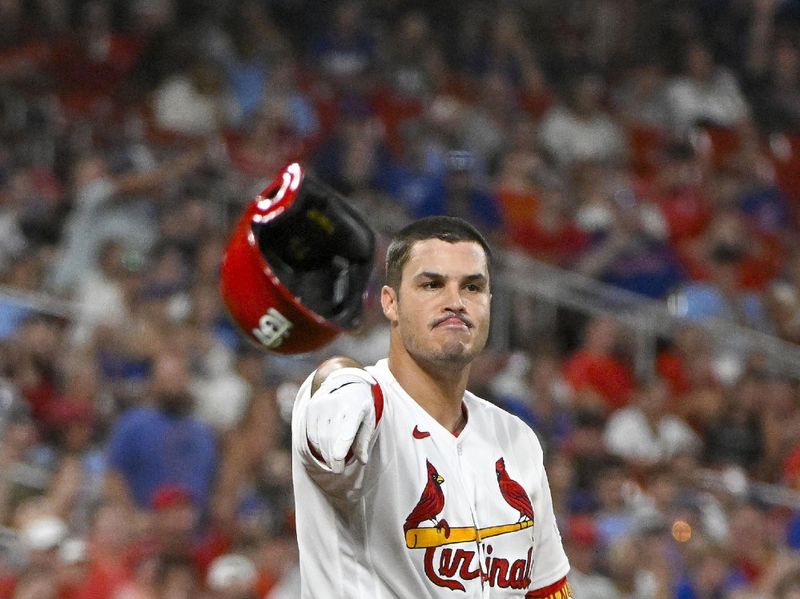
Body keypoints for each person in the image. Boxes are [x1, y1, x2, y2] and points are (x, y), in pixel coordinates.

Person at [291, 216, 572, 597]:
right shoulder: (363, 406)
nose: (455, 302)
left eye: (472, 287)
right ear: (390, 302)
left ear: (489, 302)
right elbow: (333, 395)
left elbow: (548, 590)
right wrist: (336, 378)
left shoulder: (515, 438)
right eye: (432, 284)